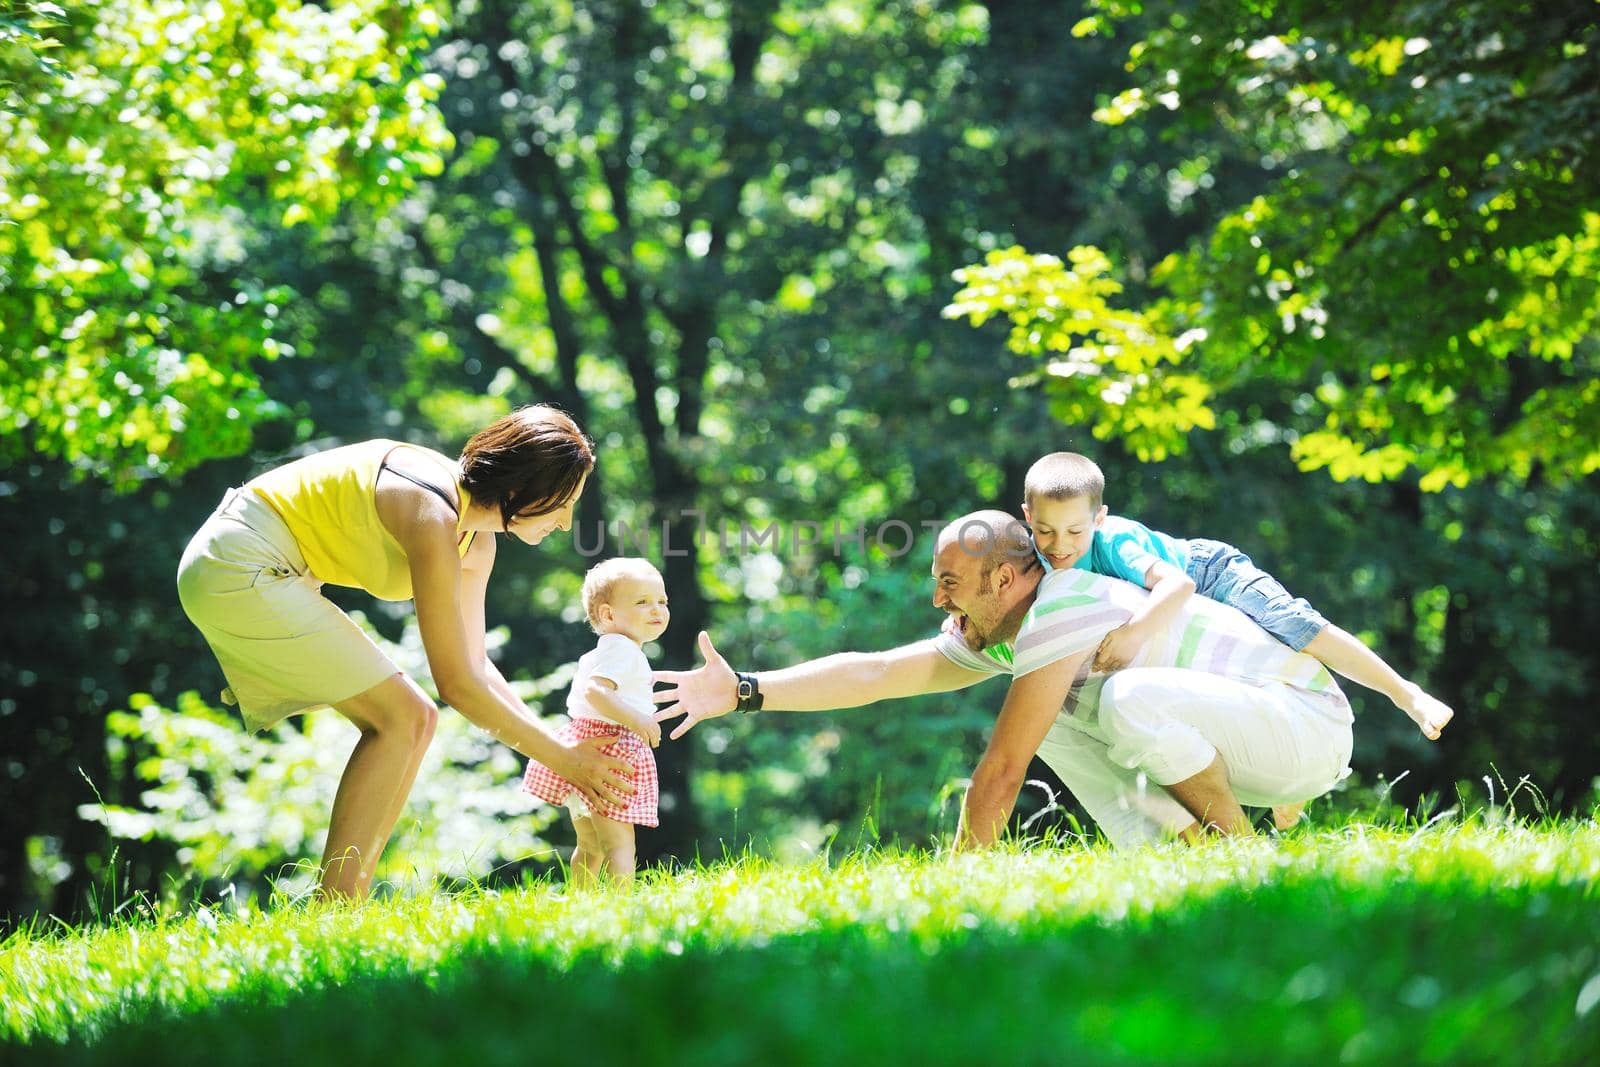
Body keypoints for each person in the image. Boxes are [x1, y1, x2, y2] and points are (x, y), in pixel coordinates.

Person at [654, 511, 1355, 848]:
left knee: (1118, 703)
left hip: (1303, 724)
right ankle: (1192, 855)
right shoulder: (1006, 629)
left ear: (1004, 578)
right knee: (1073, 723)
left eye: (950, 583)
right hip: (1255, 745)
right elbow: (876, 673)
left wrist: (962, 891)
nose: (939, 601)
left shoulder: (1063, 602)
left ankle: (1243, 857)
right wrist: (746, 688)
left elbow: (1001, 770)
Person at [176, 405, 634, 900]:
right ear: (524, 485)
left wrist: (554, 746)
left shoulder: (475, 542)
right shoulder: (431, 509)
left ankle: (339, 904)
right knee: (403, 717)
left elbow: (475, 665)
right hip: (237, 560)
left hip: (265, 568)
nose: (566, 524)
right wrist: (562, 759)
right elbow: (455, 685)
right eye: (563, 503)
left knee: (412, 719)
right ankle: (336, 908)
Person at [524, 557, 667, 885]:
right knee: (619, 843)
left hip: (585, 745)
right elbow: (596, 692)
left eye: (662, 601)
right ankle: (620, 909)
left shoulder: (606, 649)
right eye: (642, 602)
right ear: (608, 614)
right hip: (610, 749)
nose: (656, 609)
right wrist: (639, 720)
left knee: (589, 845)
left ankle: (583, 901)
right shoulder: (623, 650)